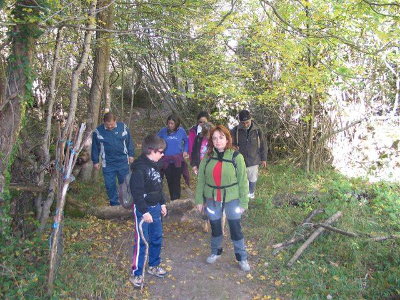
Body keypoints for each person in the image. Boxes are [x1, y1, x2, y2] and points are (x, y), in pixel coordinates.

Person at [195, 125, 251, 272]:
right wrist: (199, 200)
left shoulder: (236, 157)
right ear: (211, 141)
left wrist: (244, 202)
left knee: (235, 227)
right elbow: (201, 180)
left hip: (232, 198)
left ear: (227, 139)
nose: (218, 141)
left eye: (221, 137)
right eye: (214, 138)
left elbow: (243, 181)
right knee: (214, 226)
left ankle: (242, 257)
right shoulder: (207, 158)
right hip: (212, 198)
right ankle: (216, 251)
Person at [129, 135, 168, 288]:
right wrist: (144, 211)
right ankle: (136, 273)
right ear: (151, 150)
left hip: (156, 207)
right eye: (160, 151)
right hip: (143, 210)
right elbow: (136, 193)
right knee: (142, 241)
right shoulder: (139, 169)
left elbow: (158, 187)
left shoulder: (156, 165)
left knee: (156, 237)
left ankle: (153, 265)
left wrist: (162, 203)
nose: (162, 154)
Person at [91, 112, 134, 206]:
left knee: (125, 183)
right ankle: (114, 204)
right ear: (104, 122)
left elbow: (129, 142)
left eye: (112, 124)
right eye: (107, 124)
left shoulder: (123, 127)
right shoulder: (98, 131)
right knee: (110, 184)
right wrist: (95, 161)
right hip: (108, 163)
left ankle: (127, 203)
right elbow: (95, 147)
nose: (110, 126)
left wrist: (131, 154)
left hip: (123, 161)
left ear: (115, 121)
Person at [231, 110, 267, 199]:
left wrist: (264, 158)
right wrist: (233, 147)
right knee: (242, 180)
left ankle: (251, 194)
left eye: (247, 122)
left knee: (253, 179)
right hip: (240, 161)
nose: (245, 125)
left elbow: (263, 144)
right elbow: (229, 144)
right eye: (243, 123)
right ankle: (243, 197)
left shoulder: (257, 130)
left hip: (254, 159)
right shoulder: (235, 131)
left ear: (251, 119)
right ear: (240, 122)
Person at [157, 114, 189, 200]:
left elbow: (186, 141)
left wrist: (185, 150)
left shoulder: (181, 131)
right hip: (166, 161)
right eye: (169, 123)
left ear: (176, 124)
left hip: (177, 160)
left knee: (176, 181)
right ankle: (172, 198)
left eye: (172, 123)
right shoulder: (163, 131)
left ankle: (176, 199)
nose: (170, 125)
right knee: (170, 180)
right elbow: (156, 141)